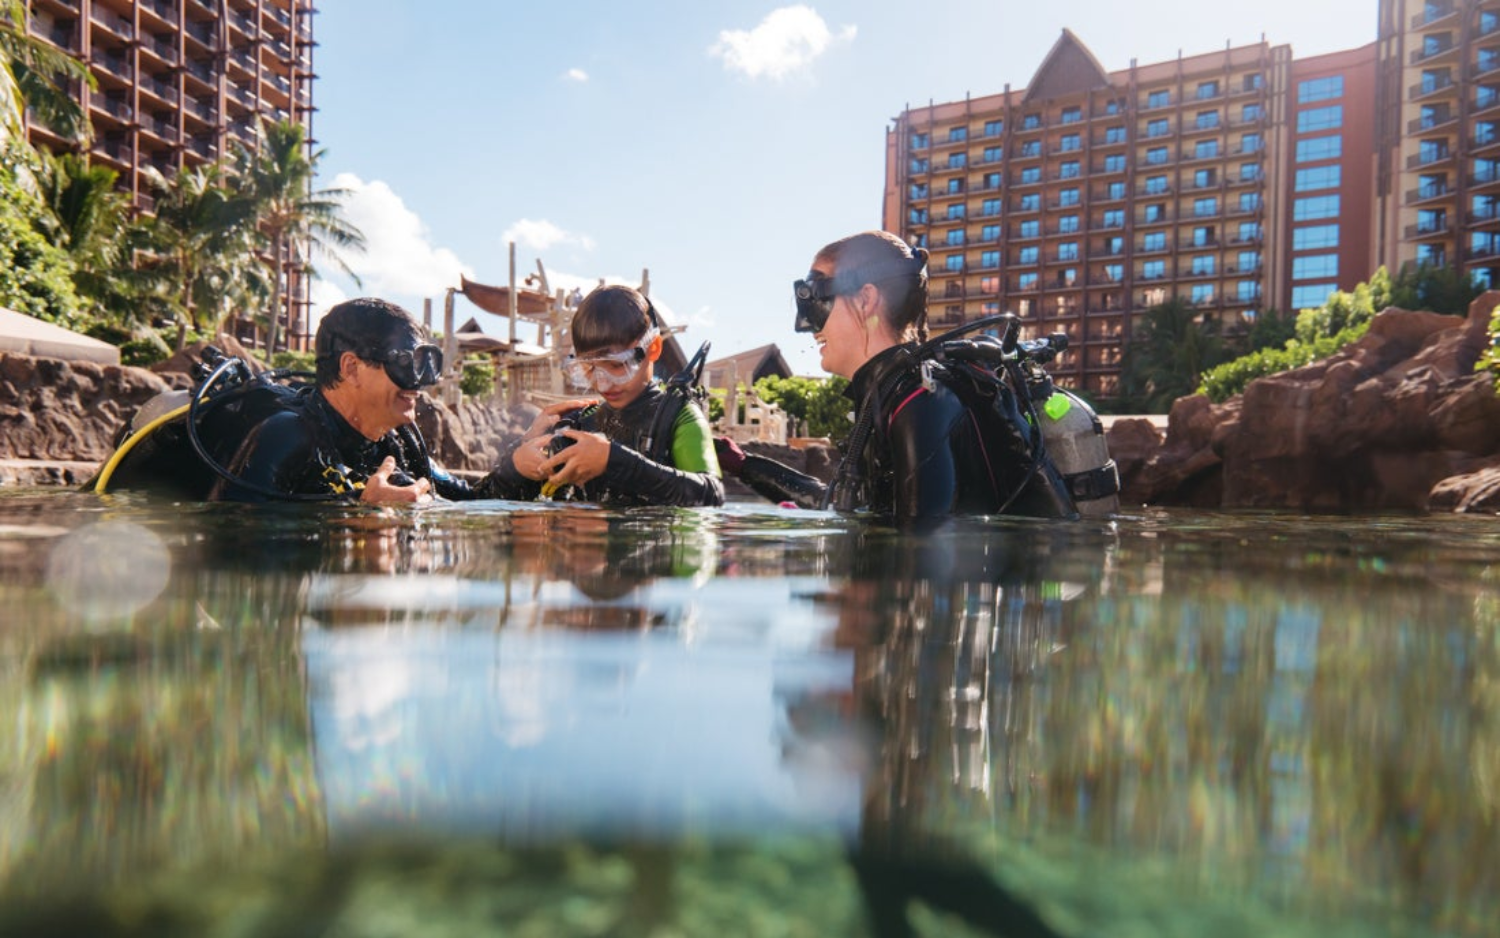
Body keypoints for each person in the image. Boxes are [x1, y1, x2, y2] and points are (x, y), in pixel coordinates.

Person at [717, 230, 1076, 529]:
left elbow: (922, 554)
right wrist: (743, 464)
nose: (810, 327)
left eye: (816, 299)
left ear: (865, 300)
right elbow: (842, 502)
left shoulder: (921, 403)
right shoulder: (890, 398)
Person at [482, 284, 724, 507]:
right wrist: (515, 466)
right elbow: (479, 500)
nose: (602, 383)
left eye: (617, 366)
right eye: (588, 368)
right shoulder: (581, 422)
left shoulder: (678, 417)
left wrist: (614, 461)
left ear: (654, 349)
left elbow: (713, 496)